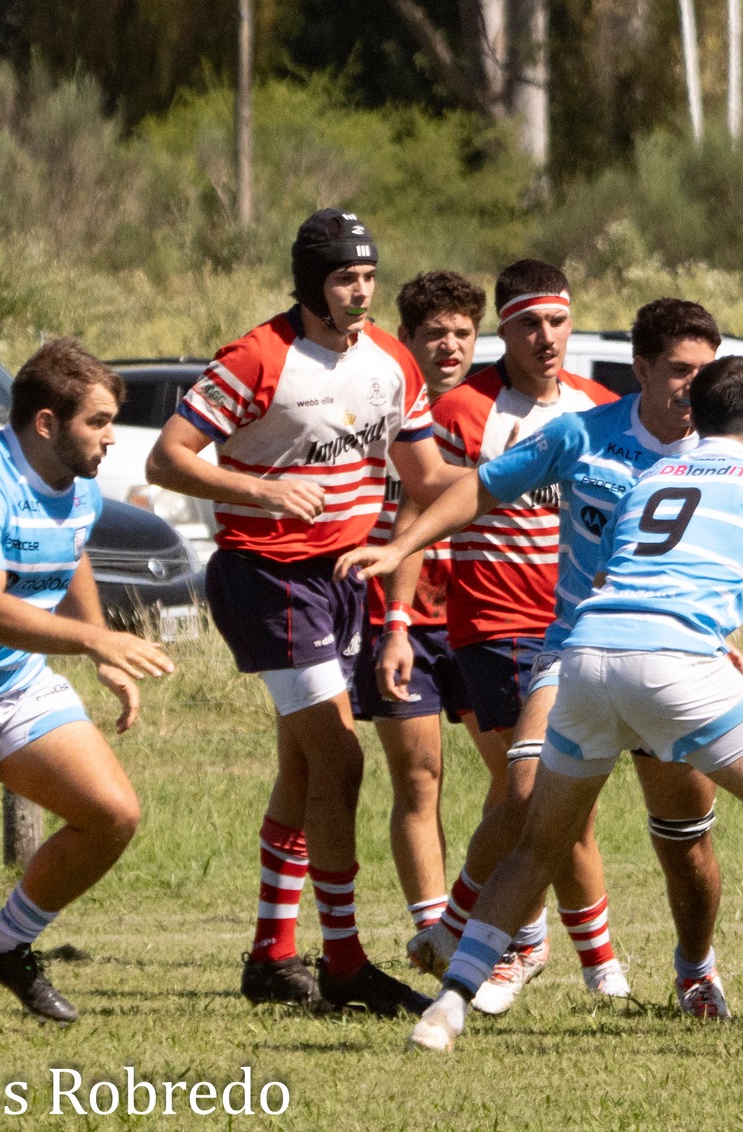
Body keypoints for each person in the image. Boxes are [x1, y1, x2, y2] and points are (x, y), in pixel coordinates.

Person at [358, 357, 743, 1055]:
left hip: (583, 659)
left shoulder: (648, 477)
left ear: (697, 417)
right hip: (676, 664)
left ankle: (445, 1013)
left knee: (537, 844)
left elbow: (617, 574)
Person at [363, 298, 732, 1019]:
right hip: (574, 649)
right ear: (643, 370)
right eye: (682, 371)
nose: (696, 388)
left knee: (686, 842)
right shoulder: (583, 433)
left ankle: (695, 969)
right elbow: (475, 486)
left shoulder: (726, 454)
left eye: (707, 373)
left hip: (678, 656)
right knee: (525, 790)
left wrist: (726, 614)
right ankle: (459, 937)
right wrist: (403, 550)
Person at [145, 208, 459, 1015]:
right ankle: (345, 962)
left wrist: (498, 496)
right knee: (343, 762)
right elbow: (166, 458)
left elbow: (427, 481)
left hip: (342, 581)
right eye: (345, 279)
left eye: (368, 278)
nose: (361, 293)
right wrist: (260, 488)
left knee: (303, 769)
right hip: (268, 580)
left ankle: (272, 956)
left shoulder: (393, 361)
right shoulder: (258, 357)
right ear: (310, 284)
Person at [0, 339, 166, 1033]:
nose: (112, 438)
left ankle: (4, 945)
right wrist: (97, 638)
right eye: (99, 422)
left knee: (112, 814)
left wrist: (97, 653)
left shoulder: (77, 481)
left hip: (18, 685)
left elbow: (71, 549)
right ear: (47, 424)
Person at [389, 259, 621, 1015]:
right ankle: (540, 950)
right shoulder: (461, 411)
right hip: (493, 626)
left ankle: (566, 955)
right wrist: (397, 617)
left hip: (585, 627)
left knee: (552, 800)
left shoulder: (603, 412)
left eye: (556, 321)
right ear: (506, 330)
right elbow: (420, 513)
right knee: (535, 797)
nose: (544, 337)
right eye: (527, 324)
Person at [351, 271, 488, 956]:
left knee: (518, 775)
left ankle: (503, 923)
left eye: (462, 332)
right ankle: (434, 930)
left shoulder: (492, 413)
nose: (448, 346)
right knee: (418, 776)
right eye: (433, 333)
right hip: (390, 616)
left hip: (481, 616)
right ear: (405, 339)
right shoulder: (378, 410)